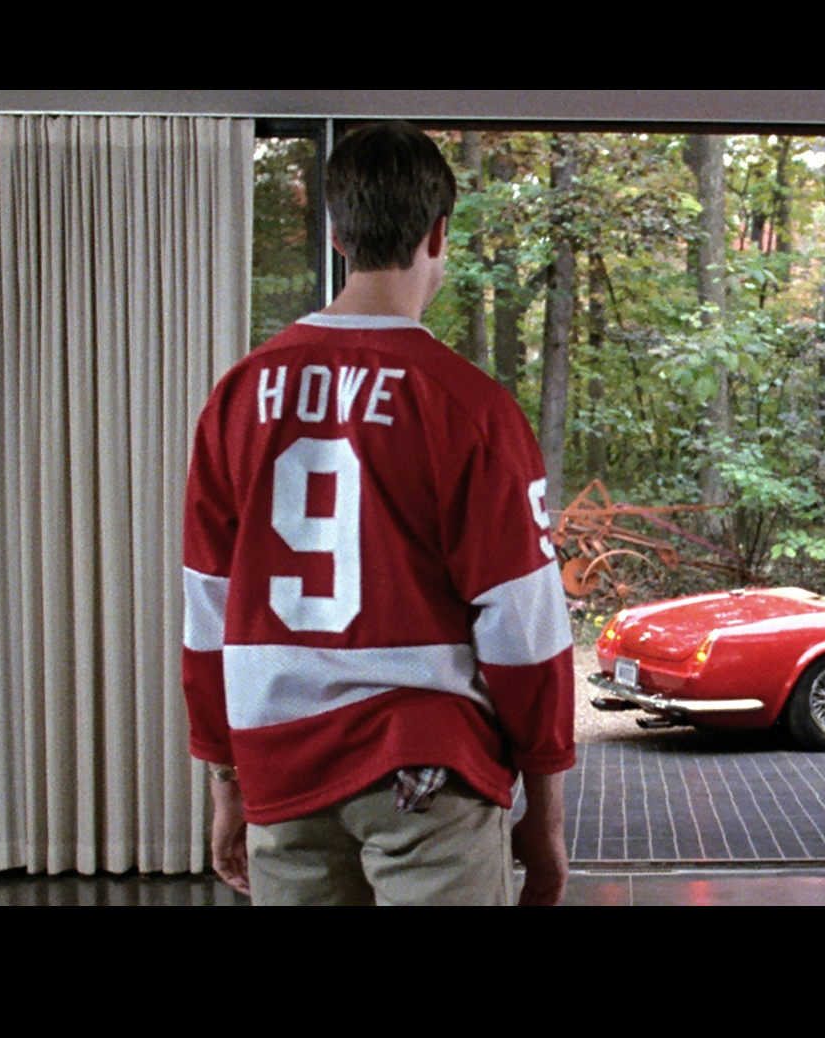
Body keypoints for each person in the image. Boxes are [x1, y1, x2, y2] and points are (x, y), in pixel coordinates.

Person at [181, 121, 574, 906]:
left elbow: (208, 613)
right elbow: (525, 629)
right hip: (429, 770)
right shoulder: (470, 407)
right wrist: (546, 815)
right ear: (439, 234)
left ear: (336, 234)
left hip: (281, 769)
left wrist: (225, 781)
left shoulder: (238, 397)